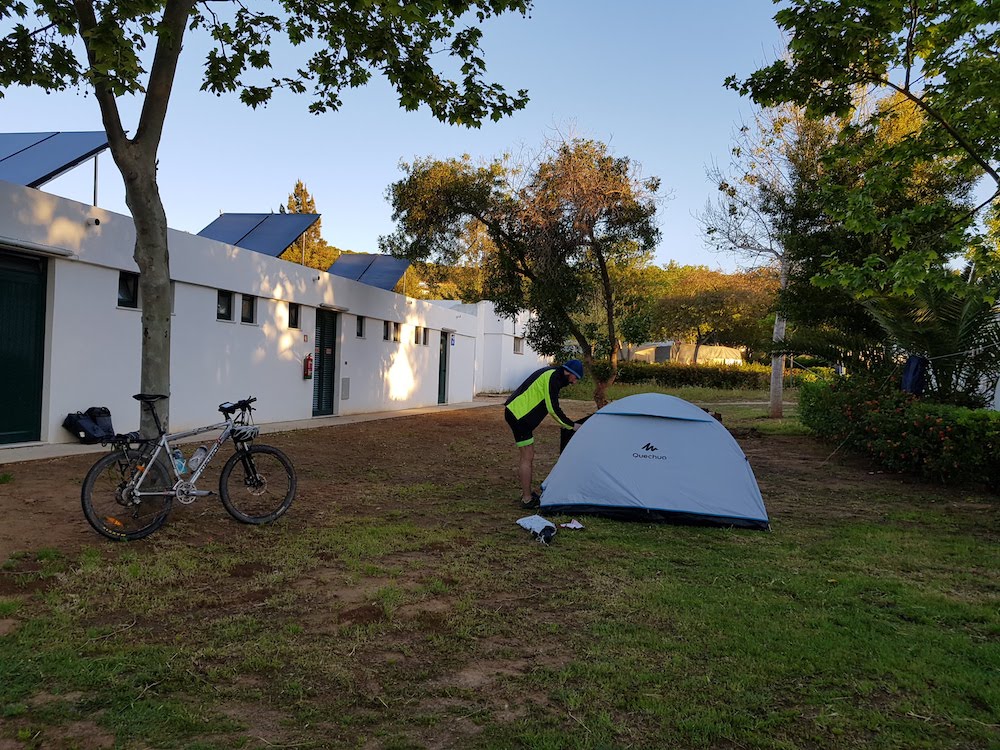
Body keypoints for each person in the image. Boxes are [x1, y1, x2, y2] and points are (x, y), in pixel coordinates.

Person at [504, 359, 584, 508]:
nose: (574, 382)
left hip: (517, 414)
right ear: (569, 372)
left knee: (528, 456)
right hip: (518, 416)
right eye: (576, 378)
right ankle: (527, 499)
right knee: (527, 456)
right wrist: (572, 426)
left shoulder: (554, 375)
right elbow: (553, 408)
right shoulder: (552, 377)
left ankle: (527, 494)